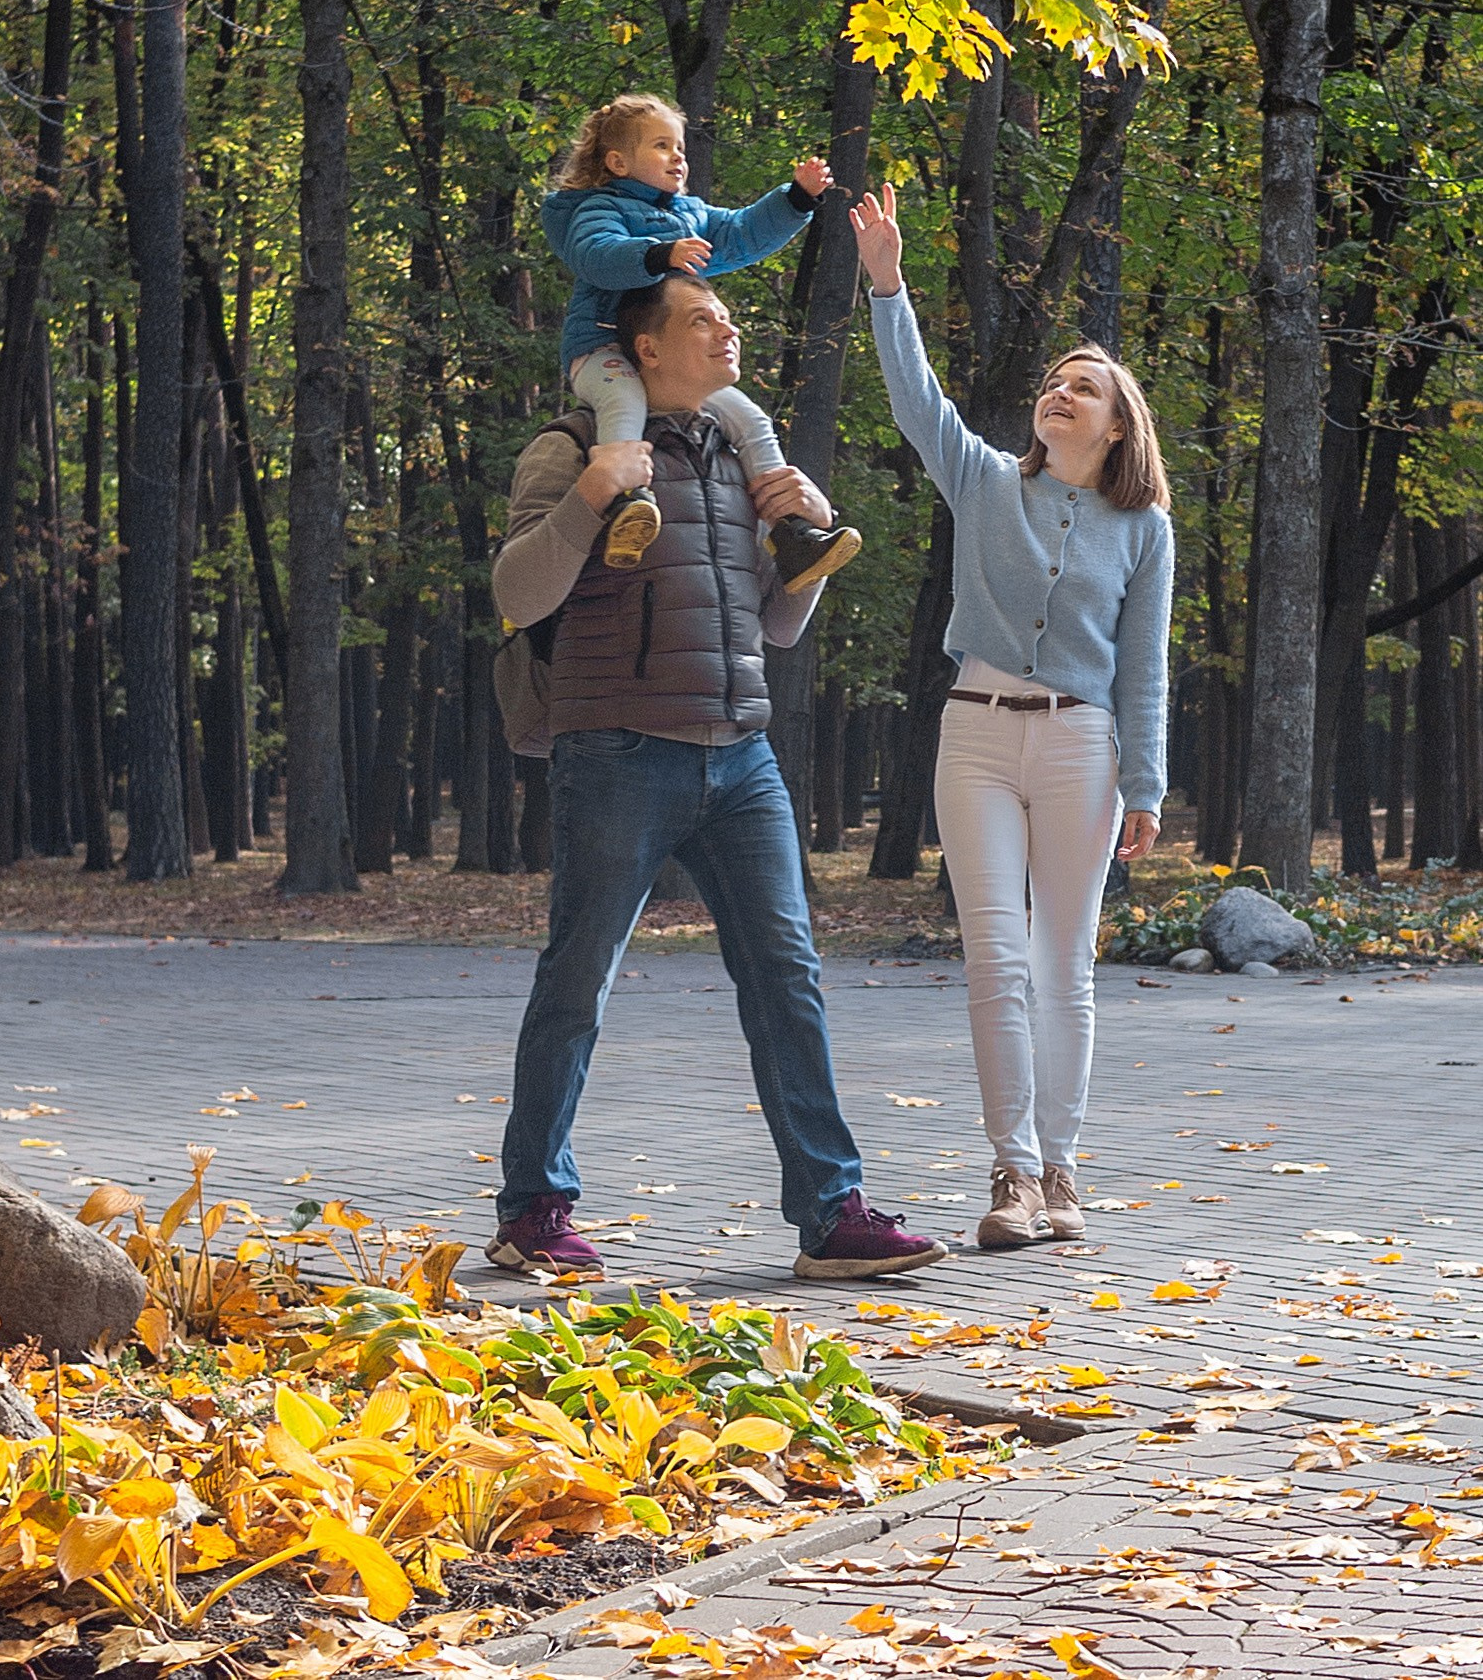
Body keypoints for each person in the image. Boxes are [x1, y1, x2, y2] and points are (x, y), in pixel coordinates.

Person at [487, 264, 947, 1285]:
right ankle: (533, 1210)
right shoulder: (568, 448)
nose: (728, 328)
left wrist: (805, 551)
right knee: (578, 980)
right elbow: (517, 591)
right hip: (615, 749)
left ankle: (831, 1215)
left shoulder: (738, 455)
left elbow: (774, 627)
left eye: (729, 315)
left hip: (742, 755)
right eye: (704, 318)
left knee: (788, 980)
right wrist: (592, 498)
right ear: (645, 348)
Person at [851, 184, 1173, 1252]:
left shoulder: (1142, 528)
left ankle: (1066, 1166)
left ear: (1117, 421)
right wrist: (887, 281)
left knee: (1061, 962)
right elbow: (916, 404)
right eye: (1051, 381)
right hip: (977, 733)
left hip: (1083, 742)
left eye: (1082, 387)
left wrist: (1146, 782)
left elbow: (1143, 661)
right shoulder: (987, 482)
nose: (1059, 392)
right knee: (992, 955)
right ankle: (1013, 1173)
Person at [544, 93, 861, 589]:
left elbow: (739, 233)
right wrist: (660, 254)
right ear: (618, 162)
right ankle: (625, 506)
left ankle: (792, 533)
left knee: (750, 418)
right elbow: (594, 255)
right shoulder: (597, 208)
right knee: (623, 399)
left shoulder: (688, 215)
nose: (678, 157)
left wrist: (795, 198)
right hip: (604, 350)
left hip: (670, 363)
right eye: (662, 146)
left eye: (681, 147)